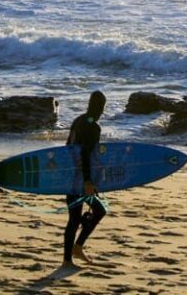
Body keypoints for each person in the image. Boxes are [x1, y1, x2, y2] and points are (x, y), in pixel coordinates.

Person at [62, 90, 108, 269]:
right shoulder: (93, 126)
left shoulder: (78, 120)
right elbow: (85, 153)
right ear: (101, 107)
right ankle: (71, 255)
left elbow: (69, 147)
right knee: (97, 211)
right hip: (81, 178)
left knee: (75, 218)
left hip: (71, 175)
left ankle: (75, 251)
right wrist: (88, 181)